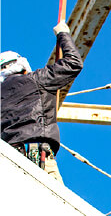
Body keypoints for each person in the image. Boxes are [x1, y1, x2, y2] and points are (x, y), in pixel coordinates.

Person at [0, 22, 83, 184]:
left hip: (8, 160)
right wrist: (63, 34)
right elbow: (73, 63)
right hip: (38, 154)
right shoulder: (37, 79)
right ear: (23, 66)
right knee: (56, 204)